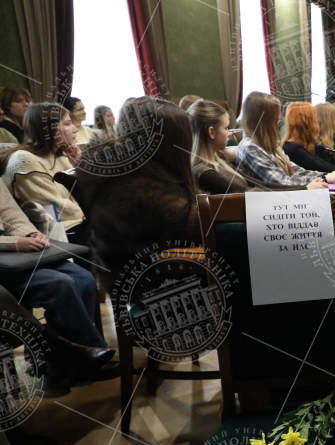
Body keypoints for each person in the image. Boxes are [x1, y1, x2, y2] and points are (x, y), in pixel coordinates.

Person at [71, 97, 204, 286]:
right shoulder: (135, 193)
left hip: (154, 270)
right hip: (153, 283)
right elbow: (193, 231)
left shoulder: (124, 173)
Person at [0, 181, 115, 387]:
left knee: (83, 278)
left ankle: (64, 366)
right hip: (6, 252)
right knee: (60, 284)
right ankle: (87, 361)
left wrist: (30, 233)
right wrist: (13, 243)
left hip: (15, 249)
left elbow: (10, 212)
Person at [188, 100, 326, 194]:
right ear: (212, 132)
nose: (230, 133)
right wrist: (305, 189)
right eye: (226, 128)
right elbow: (251, 193)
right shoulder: (204, 172)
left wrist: (306, 187)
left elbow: (260, 185)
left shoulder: (218, 160)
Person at [0, 103, 89, 244]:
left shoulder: (62, 156)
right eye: (67, 124)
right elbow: (57, 209)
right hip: (62, 231)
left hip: (83, 222)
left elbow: (87, 195)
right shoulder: (24, 160)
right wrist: (93, 210)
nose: (75, 129)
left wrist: (78, 167)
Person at [238, 92, 335, 187]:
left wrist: (327, 175)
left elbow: (296, 171)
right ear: (264, 119)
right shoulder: (249, 147)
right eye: (275, 114)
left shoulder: (269, 144)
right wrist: (325, 178)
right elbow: (281, 182)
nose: (279, 118)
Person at [281, 102, 335, 175]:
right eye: (314, 119)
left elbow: (327, 166)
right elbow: (325, 169)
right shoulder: (294, 149)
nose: (317, 122)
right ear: (306, 124)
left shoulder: (304, 145)